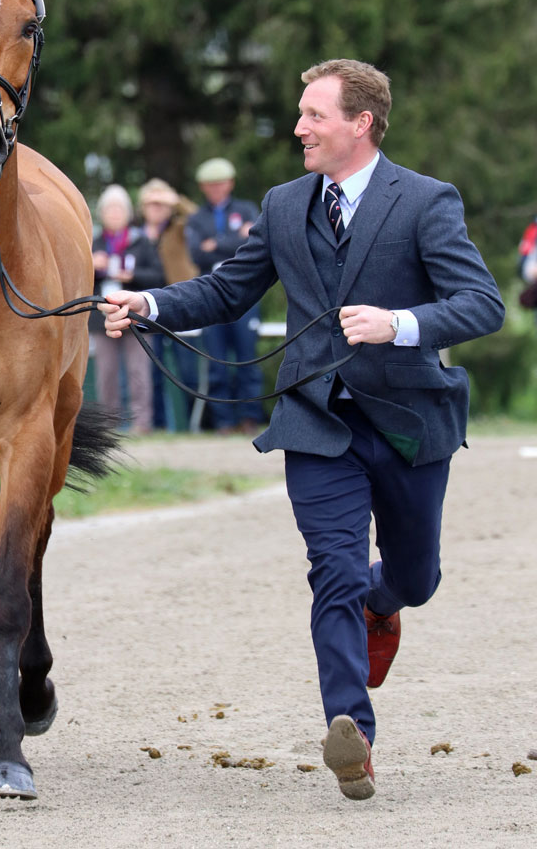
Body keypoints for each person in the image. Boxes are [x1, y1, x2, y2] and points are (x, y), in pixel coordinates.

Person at [98, 59, 505, 800]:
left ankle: (386, 605)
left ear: (362, 123)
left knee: (414, 578)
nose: (298, 129)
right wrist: (149, 304)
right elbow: (226, 290)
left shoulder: (425, 201)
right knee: (335, 570)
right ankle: (351, 730)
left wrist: (399, 323)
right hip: (317, 422)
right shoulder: (285, 205)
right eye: (300, 113)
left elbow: (482, 302)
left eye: (314, 115)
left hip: (412, 421)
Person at [185, 158, 264, 434]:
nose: (216, 189)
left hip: (245, 292)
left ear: (230, 183)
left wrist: (216, 243)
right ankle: (223, 421)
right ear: (203, 187)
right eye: (210, 185)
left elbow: (253, 243)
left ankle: (250, 417)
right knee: (216, 360)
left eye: (220, 184)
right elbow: (196, 254)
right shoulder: (196, 218)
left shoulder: (246, 209)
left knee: (247, 357)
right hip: (210, 293)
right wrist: (233, 238)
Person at [89, 184, 158, 434]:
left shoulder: (140, 241)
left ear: (128, 213)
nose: (114, 214)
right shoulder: (93, 241)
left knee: (138, 371)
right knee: (105, 372)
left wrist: (133, 275)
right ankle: (109, 424)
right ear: (102, 213)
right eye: (110, 210)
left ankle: (142, 423)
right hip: (102, 317)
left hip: (136, 313)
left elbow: (158, 275)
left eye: (119, 209)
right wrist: (91, 265)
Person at [136, 178, 200, 430]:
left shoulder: (181, 227)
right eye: (151, 203)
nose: (156, 208)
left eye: (161, 203)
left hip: (178, 303)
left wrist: (176, 201)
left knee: (188, 371)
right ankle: (160, 425)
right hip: (147, 308)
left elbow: (198, 217)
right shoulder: (136, 234)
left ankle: (196, 425)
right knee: (153, 371)